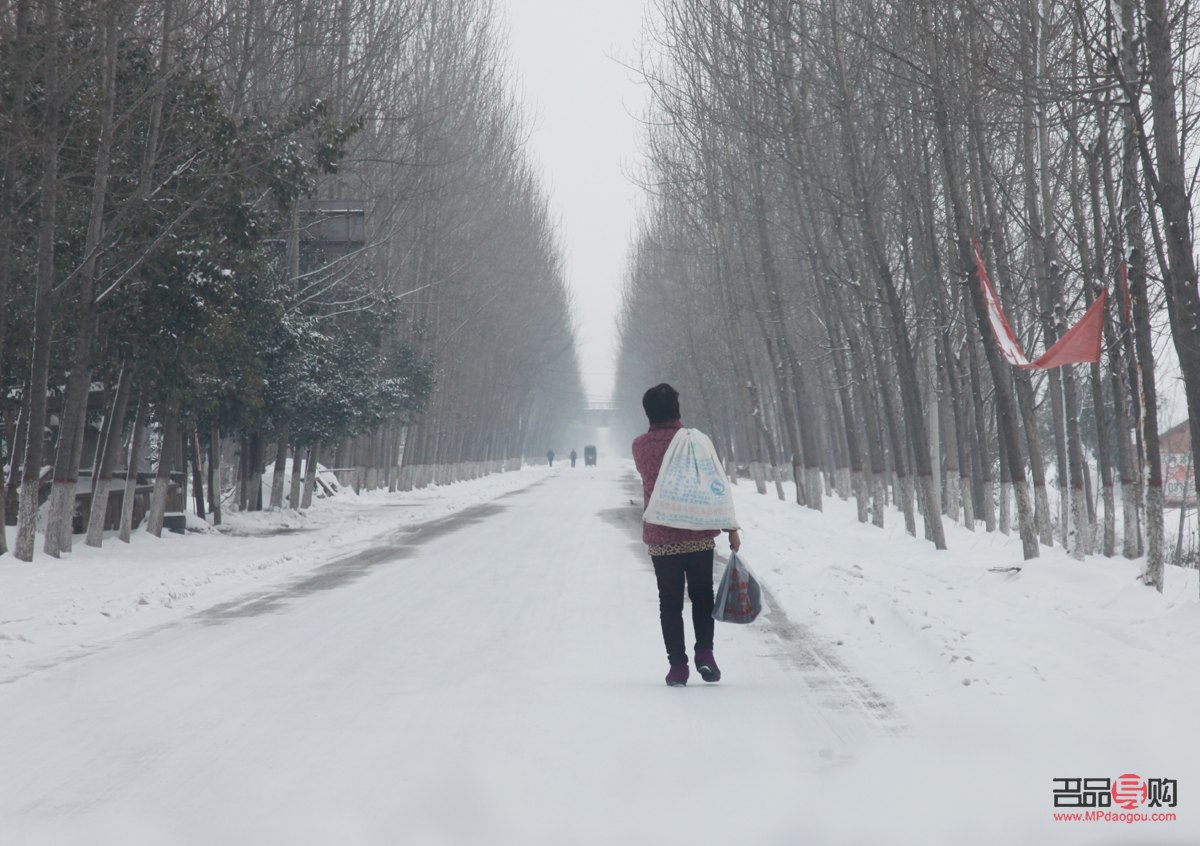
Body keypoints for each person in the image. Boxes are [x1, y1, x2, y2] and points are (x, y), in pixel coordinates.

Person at [632, 383, 740, 687]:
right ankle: (705, 652)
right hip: (698, 532)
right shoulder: (697, 442)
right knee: (702, 595)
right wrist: (731, 527)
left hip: (662, 536)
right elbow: (715, 481)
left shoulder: (640, 446)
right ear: (677, 410)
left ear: (648, 413)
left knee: (670, 602)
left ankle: (677, 666)